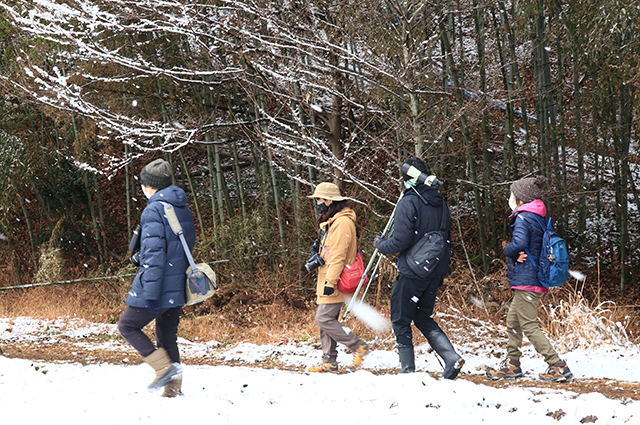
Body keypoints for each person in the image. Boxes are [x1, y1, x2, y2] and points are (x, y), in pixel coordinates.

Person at [373, 157, 464, 379]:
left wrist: (381, 245)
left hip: (413, 271)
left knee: (400, 319)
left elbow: (401, 241)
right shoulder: (440, 202)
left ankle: (407, 372)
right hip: (435, 270)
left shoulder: (408, 202)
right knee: (422, 316)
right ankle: (451, 358)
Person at [118, 158, 196, 397]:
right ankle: (173, 391)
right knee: (166, 336)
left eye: (144, 184)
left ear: (150, 186)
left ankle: (163, 369)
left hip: (159, 285)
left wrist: (150, 294)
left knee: (128, 325)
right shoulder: (181, 207)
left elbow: (155, 257)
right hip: (177, 285)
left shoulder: (154, 209)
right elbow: (177, 248)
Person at [486, 175, 573, 382]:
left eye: (512, 195)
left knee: (528, 325)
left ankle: (557, 365)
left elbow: (519, 242)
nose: (510, 198)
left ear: (521, 199)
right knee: (513, 321)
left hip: (528, 279)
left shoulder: (523, 217)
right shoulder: (536, 216)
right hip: (532, 278)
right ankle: (512, 365)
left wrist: (509, 250)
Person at [306, 182, 371, 373]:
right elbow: (331, 252)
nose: (317, 202)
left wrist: (330, 283)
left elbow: (339, 256)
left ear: (329, 200)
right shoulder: (333, 220)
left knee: (324, 319)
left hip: (335, 278)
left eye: (319, 199)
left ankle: (357, 346)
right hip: (329, 276)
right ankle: (328, 361)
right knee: (327, 319)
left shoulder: (342, 222)